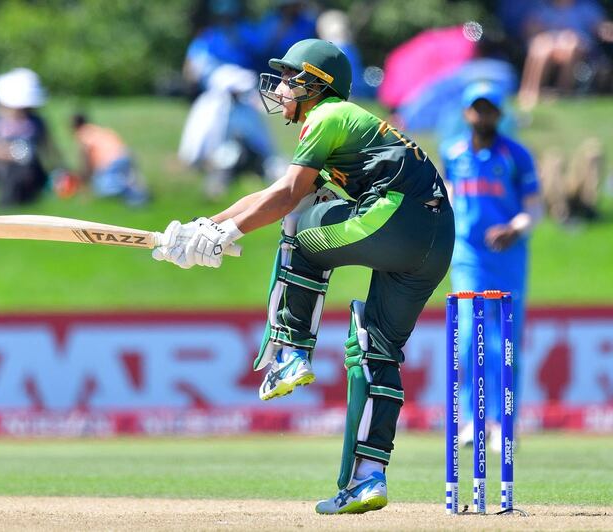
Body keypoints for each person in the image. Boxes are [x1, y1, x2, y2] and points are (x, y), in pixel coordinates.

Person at [153, 39, 455, 514]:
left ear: (318, 83)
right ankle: (367, 478)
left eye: (292, 78)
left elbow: (288, 197)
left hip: (394, 218)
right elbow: (275, 190)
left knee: (298, 222)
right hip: (435, 243)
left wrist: (228, 232)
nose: (282, 88)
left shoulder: (328, 116)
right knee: (376, 349)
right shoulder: (349, 127)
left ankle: (291, 350)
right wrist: (205, 227)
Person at [440, 82, 543, 452]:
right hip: (468, 256)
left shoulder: (516, 155)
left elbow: (533, 208)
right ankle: (473, 420)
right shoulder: (452, 153)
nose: (482, 116)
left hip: (509, 258)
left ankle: (504, 423)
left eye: (489, 109)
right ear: (467, 113)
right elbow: (450, 198)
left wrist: (515, 229)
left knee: (505, 343)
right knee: (469, 336)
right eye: (476, 108)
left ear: (500, 114)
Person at [178, 64, 284, 200]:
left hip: (249, 154)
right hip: (218, 157)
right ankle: (215, 191)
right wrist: (196, 159)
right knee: (226, 160)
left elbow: (262, 137)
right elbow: (198, 138)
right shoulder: (209, 107)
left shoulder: (247, 107)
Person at [0, 68, 65, 207]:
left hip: (31, 166)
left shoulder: (37, 121)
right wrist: (9, 155)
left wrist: (60, 169)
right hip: (2, 165)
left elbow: (48, 147)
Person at [518, 0, 613, 110]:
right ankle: (529, 92)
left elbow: (600, 27)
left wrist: (606, 30)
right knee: (541, 46)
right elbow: (530, 30)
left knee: (571, 45)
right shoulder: (542, 8)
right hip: (550, 45)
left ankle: (563, 92)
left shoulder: (587, 8)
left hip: (578, 47)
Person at [72, 114, 150, 206]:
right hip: (125, 155)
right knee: (126, 179)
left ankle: (135, 195)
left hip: (110, 161)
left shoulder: (83, 134)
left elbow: (86, 160)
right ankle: (138, 191)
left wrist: (84, 182)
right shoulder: (100, 130)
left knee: (103, 188)